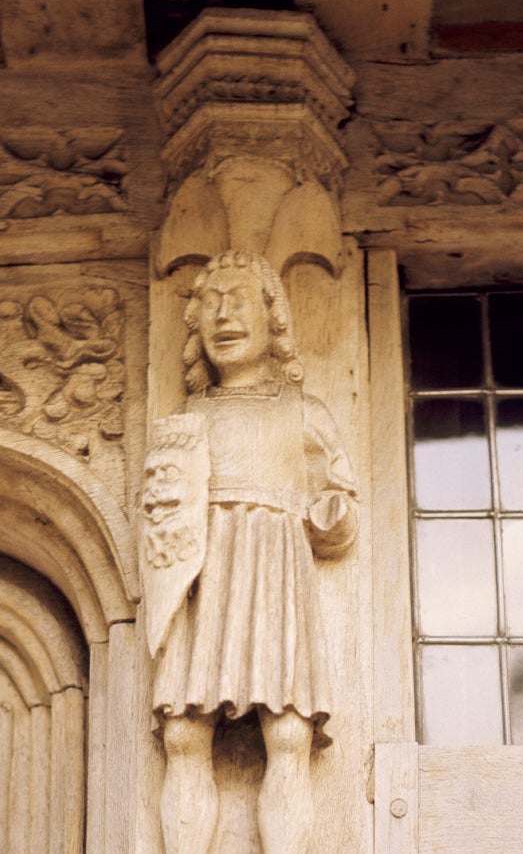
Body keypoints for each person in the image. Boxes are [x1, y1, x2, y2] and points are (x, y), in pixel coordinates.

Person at [144, 250, 357, 854]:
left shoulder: (303, 413)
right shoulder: (188, 419)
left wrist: (332, 514)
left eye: (239, 299)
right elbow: (163, 510)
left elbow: (338, 508)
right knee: (185, 735)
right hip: (204, 577)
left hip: (275, 570)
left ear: (274, 319)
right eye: (210, 302)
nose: (223, 315)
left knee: (287, 734)